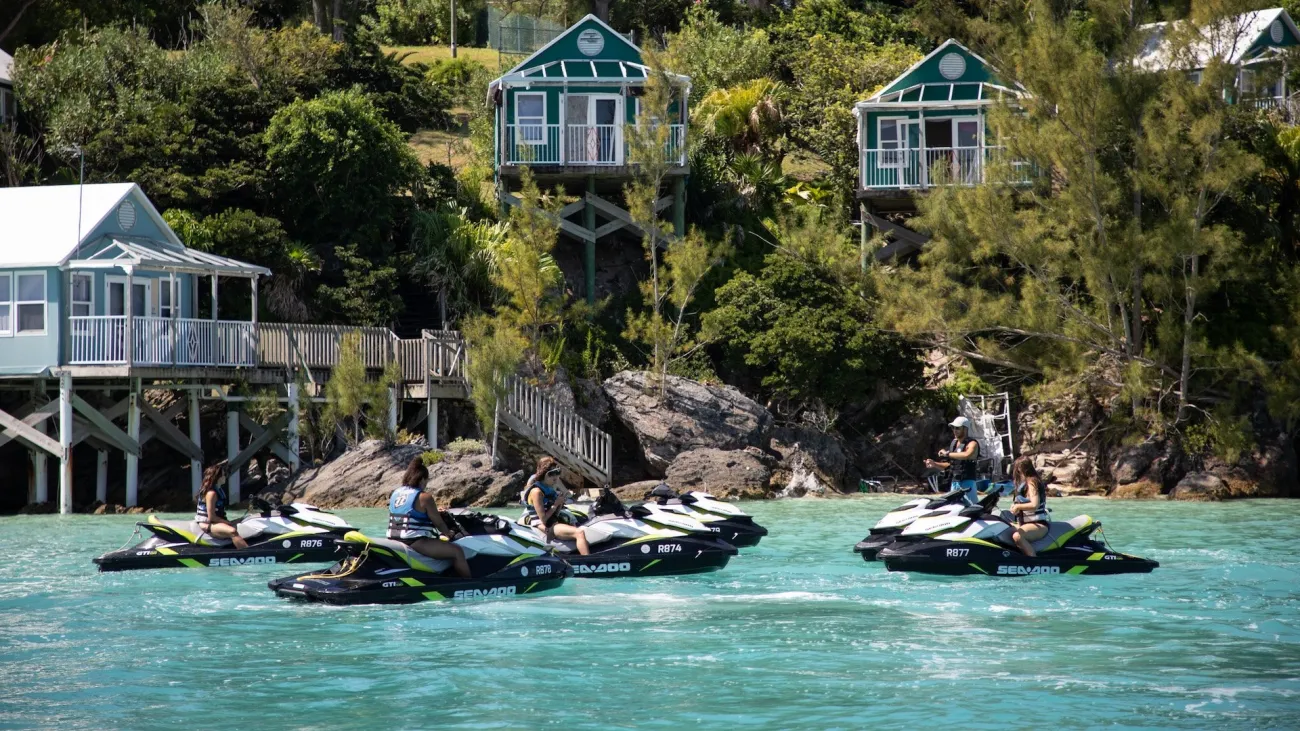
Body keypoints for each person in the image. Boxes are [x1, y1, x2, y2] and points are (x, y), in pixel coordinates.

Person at [387, 458, 471, 578]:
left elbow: (408, 513)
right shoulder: (424, 497)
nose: (426, 484)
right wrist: (449, 533)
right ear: (421, 479)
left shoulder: (396, 493)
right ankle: (468, 584)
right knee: (457, 551)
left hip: (393, 538)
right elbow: (439, 524)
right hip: (414, 542)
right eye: (427, 480)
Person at [522, 457, 590, 555]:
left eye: (557, 474)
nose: (555, 477)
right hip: (545, 525)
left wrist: (560, 503)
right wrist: (556, 504)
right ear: (544, 475)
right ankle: (587, 563)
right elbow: (544, 519)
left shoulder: (549, 489)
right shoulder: (536, 492)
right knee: (579, 533)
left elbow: (554, 514)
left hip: (553, 522)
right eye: (551, 474)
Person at [924, 416, 981, 498]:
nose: (955, 430)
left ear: (965, 429)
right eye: (953, 428)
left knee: (970, 507)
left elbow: (966, 455)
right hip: (954, 483)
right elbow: (950, 466)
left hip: (968, 483)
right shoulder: (954, 444)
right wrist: (934, 464)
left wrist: (947, 454)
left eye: (957, 428)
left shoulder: (972, 443)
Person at [196, 461, 248, 549]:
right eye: (223, 475)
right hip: (207, 524)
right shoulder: (211, 493)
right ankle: (249, 554)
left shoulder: (219, 490)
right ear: (218, 477)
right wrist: (229, 523)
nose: (225, 477)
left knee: (244, 520)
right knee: (232, 531)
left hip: (216, 521)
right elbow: (211, 517)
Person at [1007, 456, 1050, 557]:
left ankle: (1034, 562)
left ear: (1020, 469)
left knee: (1017, 536)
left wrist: (1018, 507)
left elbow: (1035, 504)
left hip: (1038, 524)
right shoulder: (1024, 484)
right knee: (1003, 527)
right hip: (1024, 523)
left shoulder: (1032, 482)